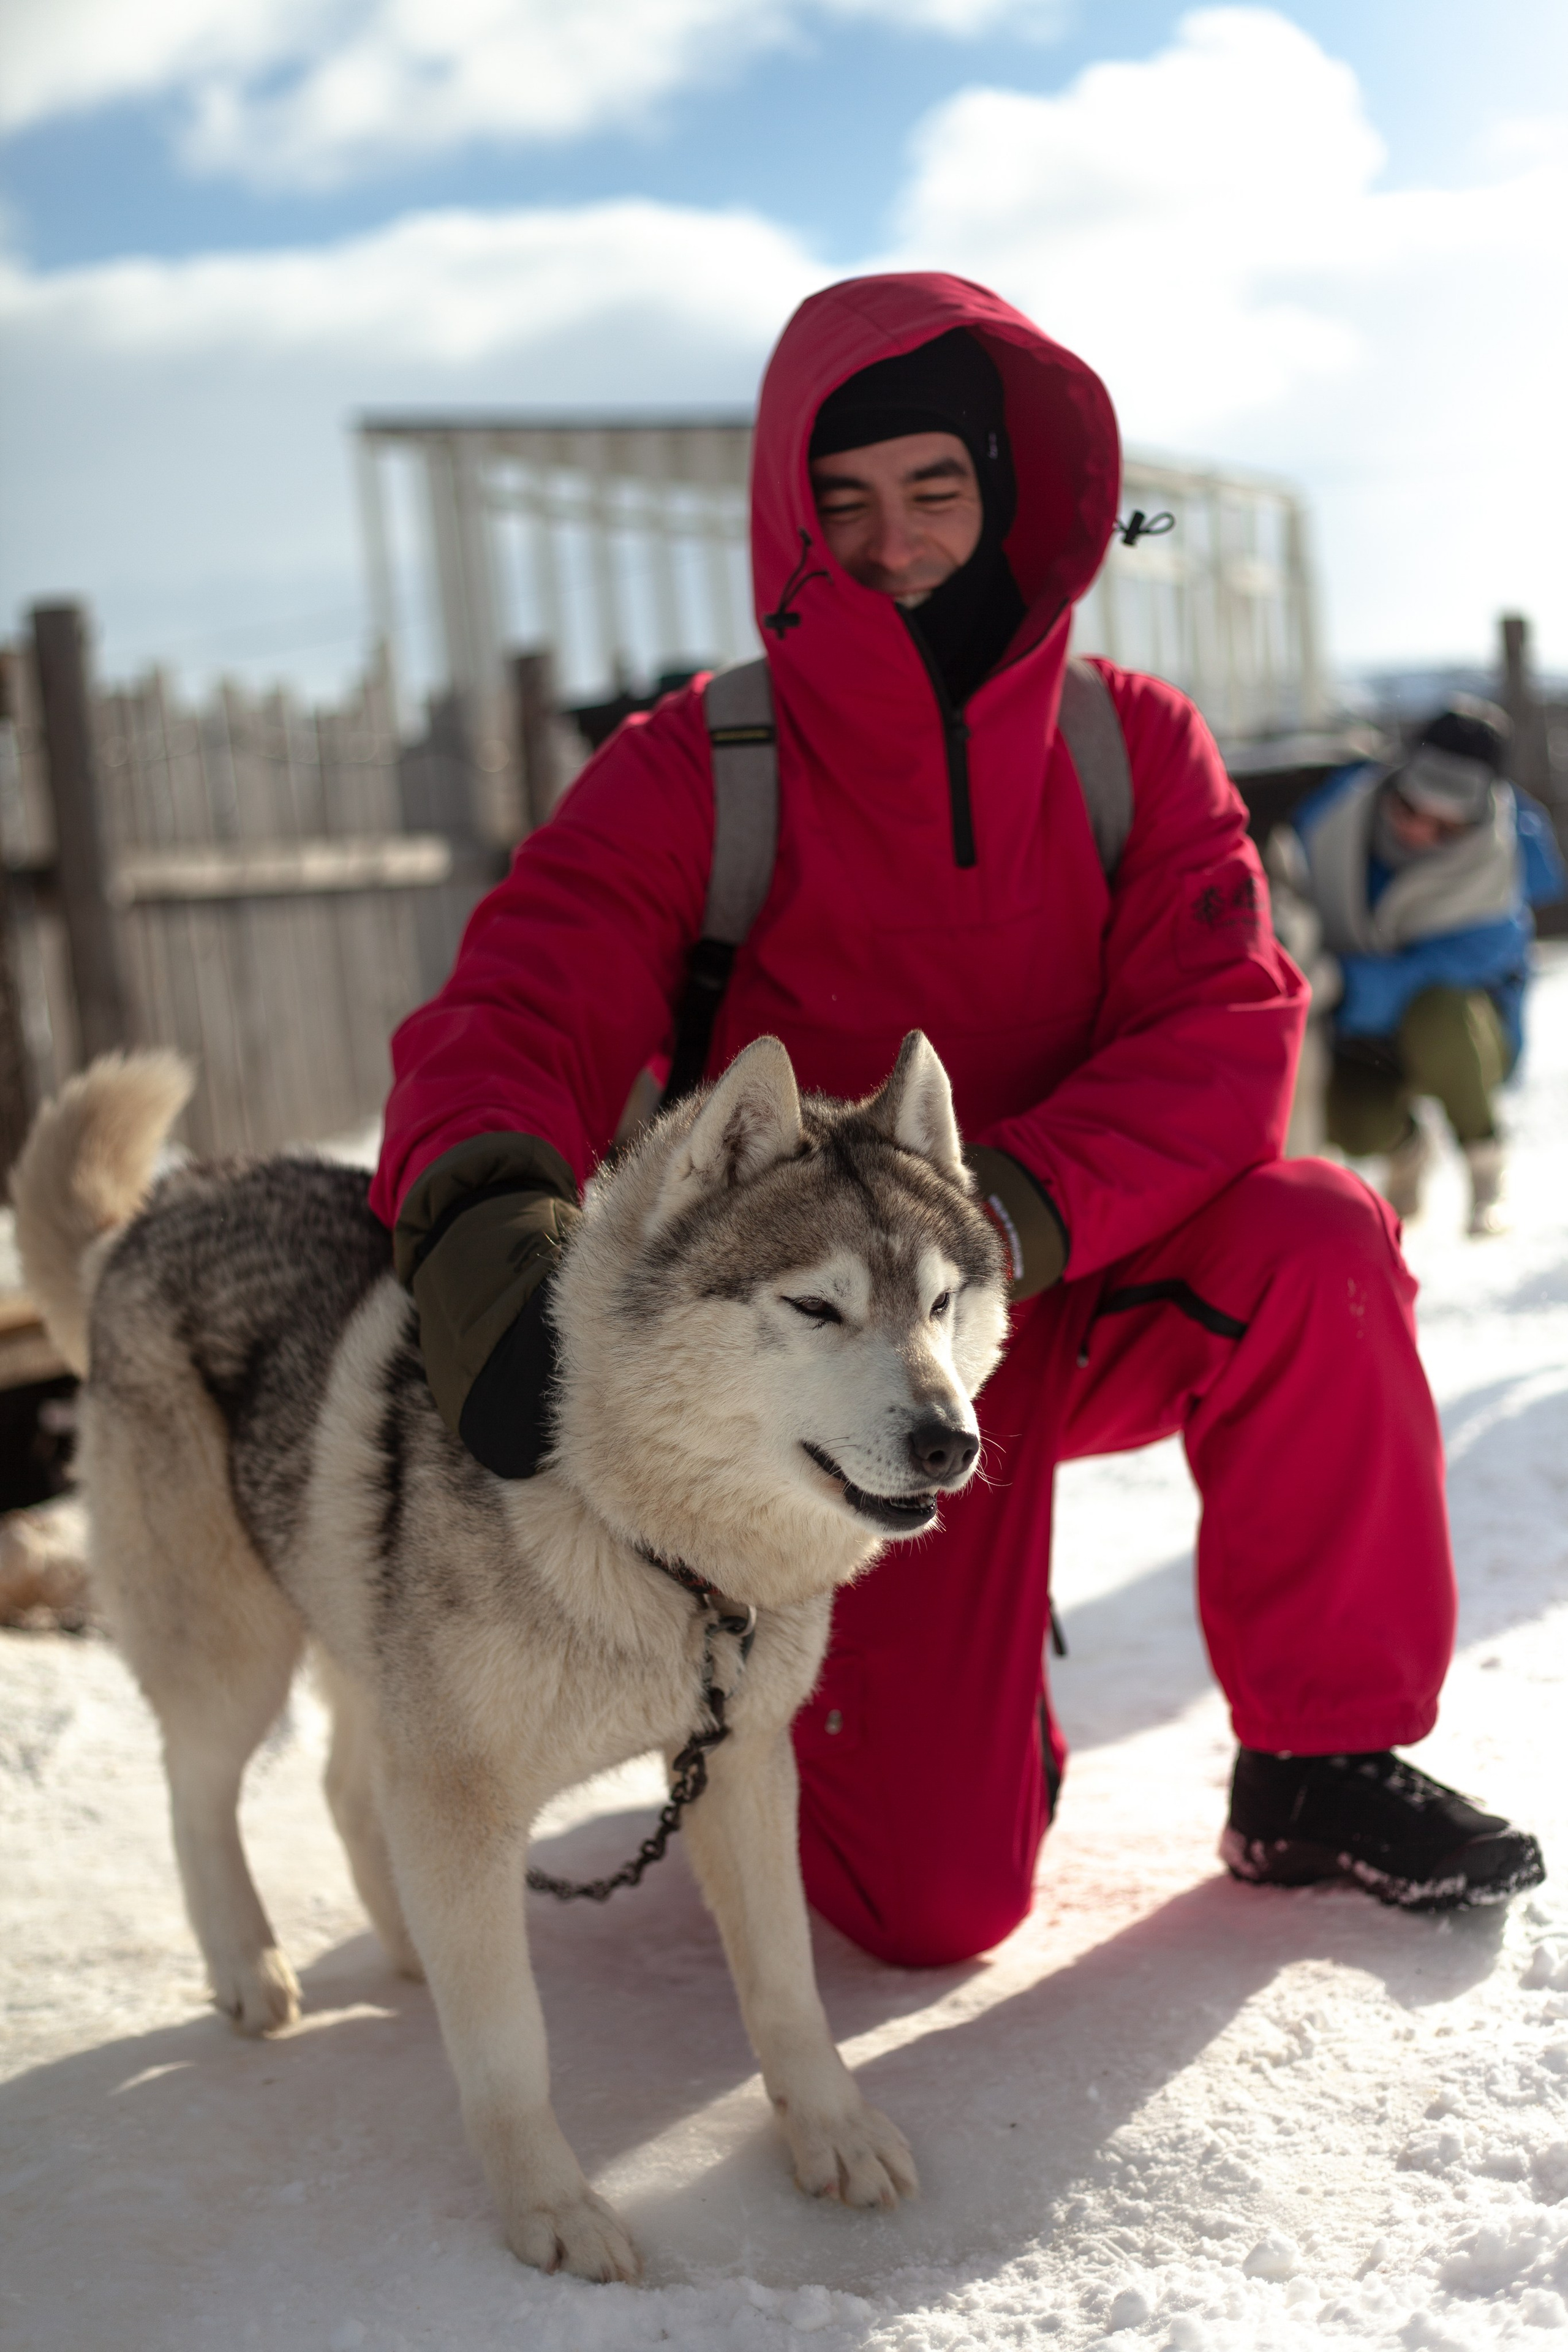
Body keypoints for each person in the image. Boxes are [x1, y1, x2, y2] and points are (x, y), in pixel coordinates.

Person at [371, 273, 1542, 1963]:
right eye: (842, 503)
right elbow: (518, 1004)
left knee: (1320, 1235)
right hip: (826, 1365)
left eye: (935, 489)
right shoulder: (703, 766)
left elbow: (1227, 1028)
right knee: (931, 1909)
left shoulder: (1129, 747)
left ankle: (1321, 1755)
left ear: (1016, 494)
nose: (894, 540)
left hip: (1056, 1272)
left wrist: (1005, 1215)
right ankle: (937, 1728)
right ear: (789, 514)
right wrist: (483, 1204)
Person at [1290, 702, 1565, 1234]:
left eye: (1447, 826)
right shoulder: (1337, 822)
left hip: (1466, 1038)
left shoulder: (1502, 868)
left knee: (1440, 1011)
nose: (1420, 832)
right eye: (1410, 811)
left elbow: (1454, 966)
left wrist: (1343, 980)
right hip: (1361, 1037)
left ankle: (1486, 1162)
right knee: (1354, 1123)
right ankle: (1407, 1151)